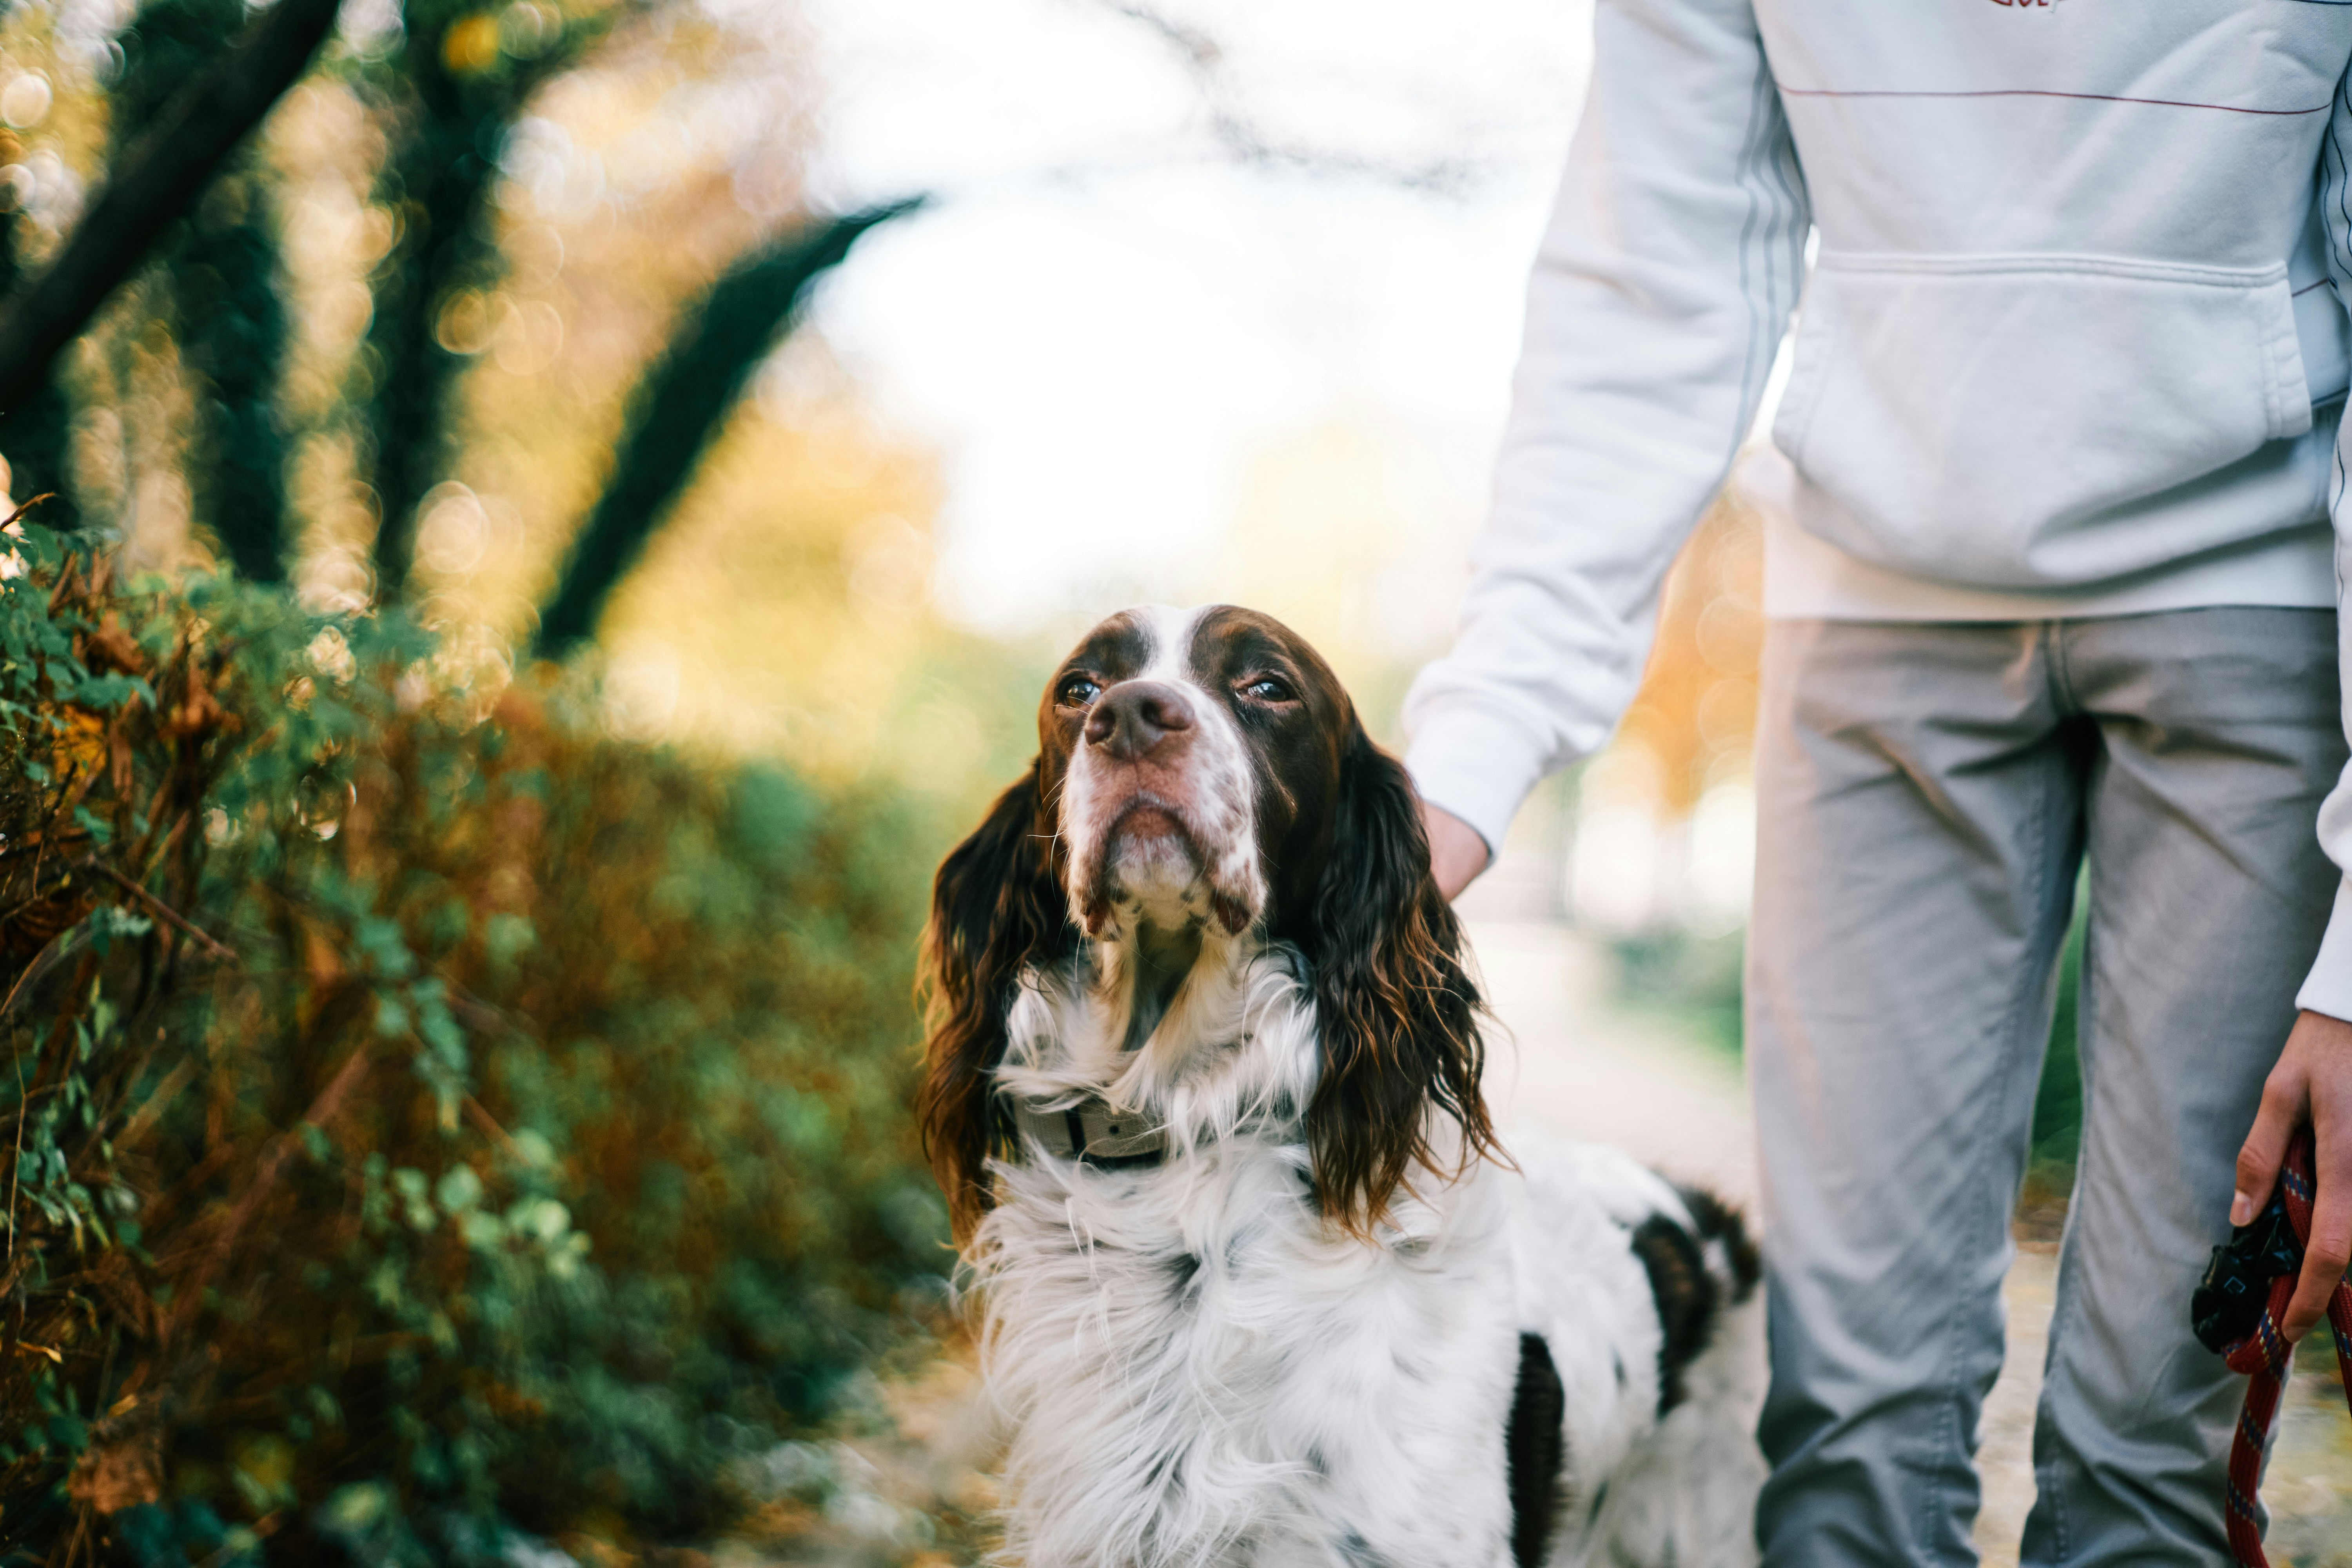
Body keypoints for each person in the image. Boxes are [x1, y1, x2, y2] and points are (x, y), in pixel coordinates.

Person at [1399, 6, 2352, 1564]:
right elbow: (1657, 275)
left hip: (2261, 610)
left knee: (2149, 1452)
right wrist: (1473, 751)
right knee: (1844, 1428)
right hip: (1872, 609)